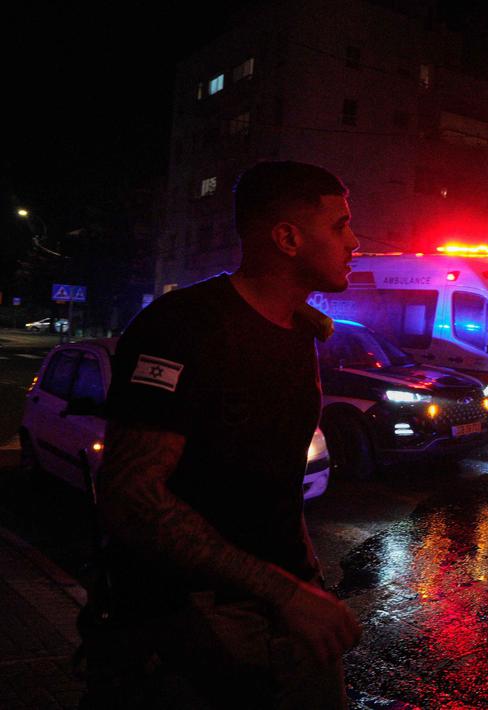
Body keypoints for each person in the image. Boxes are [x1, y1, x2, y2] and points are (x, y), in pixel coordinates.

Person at [85, 161, 362, 708]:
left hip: (285, 614)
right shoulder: (183, 327)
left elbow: (275, 489)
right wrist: (286, 593)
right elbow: (130, 498)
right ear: (287, 238)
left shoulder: (298, 333)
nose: (354, 242)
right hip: (188, 625)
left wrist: (308, 583)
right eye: (340, 225)